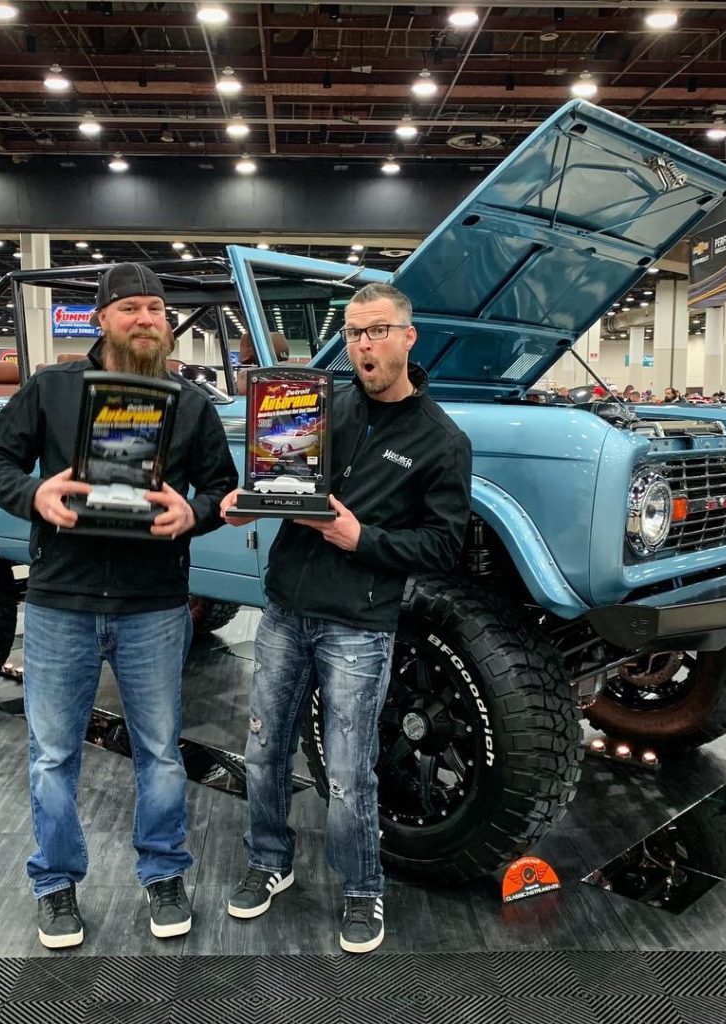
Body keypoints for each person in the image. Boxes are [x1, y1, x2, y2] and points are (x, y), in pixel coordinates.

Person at [0, 263, 237, 949]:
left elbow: (219, 486)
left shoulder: (190, 402)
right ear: (101, 319)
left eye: (156, 308)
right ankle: (55, 886)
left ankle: (164, 873)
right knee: (52, 754)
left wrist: (194, 513)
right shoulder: (51, 391)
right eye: (131, 309)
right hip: (61, 600)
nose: (147, 319)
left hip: (153, 604)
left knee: (159, 750)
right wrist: (33, 494)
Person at [221, 282, 472, 954]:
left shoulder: (442, 441)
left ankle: (363, 891)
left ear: (408, 337)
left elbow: (447, 546)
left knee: (350, 769)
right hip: (285, 608)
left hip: (358, 625)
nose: (365, 345)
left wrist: (362, 539)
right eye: (356, 333)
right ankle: (269, 861)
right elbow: (279, 476)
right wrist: (251, 499)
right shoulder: (318, 405)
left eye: (379, 331)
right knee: (264, 747)